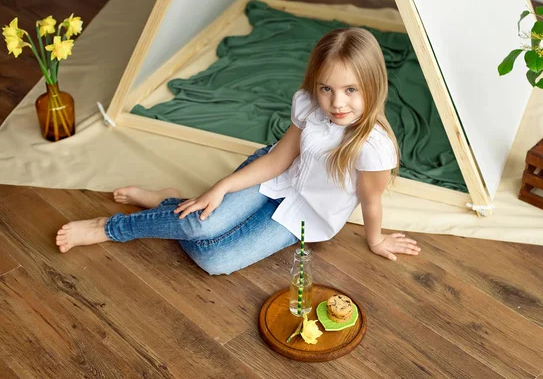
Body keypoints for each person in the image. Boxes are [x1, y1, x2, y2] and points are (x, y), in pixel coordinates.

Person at [55, 27, 420, 275]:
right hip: (272, 177)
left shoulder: (373, 149)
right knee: (203, 222)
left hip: (305, 216)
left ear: (373, 85)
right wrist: (222, 187)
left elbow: (371, 203)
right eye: (327, 89)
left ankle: (168, 202)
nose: (336, 103)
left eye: (350, 90)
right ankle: (113, 228)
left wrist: (375, 240)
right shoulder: (310, 106)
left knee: (214, 259)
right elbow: (278, 159)